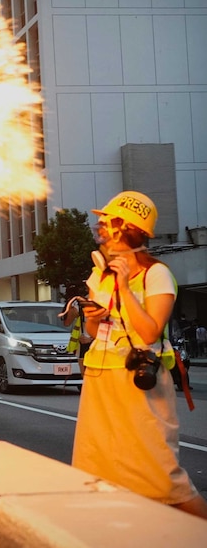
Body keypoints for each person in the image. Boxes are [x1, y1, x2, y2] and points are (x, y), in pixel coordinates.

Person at [74, 190, 207, 520]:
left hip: (140, 381)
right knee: (98, 467)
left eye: (106, 222)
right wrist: (91, 314)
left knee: (161, 476)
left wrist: (123, 287)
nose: (100, 228)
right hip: (100, 379)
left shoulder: (156, 274)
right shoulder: (98, 273)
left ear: (126, 228)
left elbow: (149, 332)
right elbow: (93, 333)